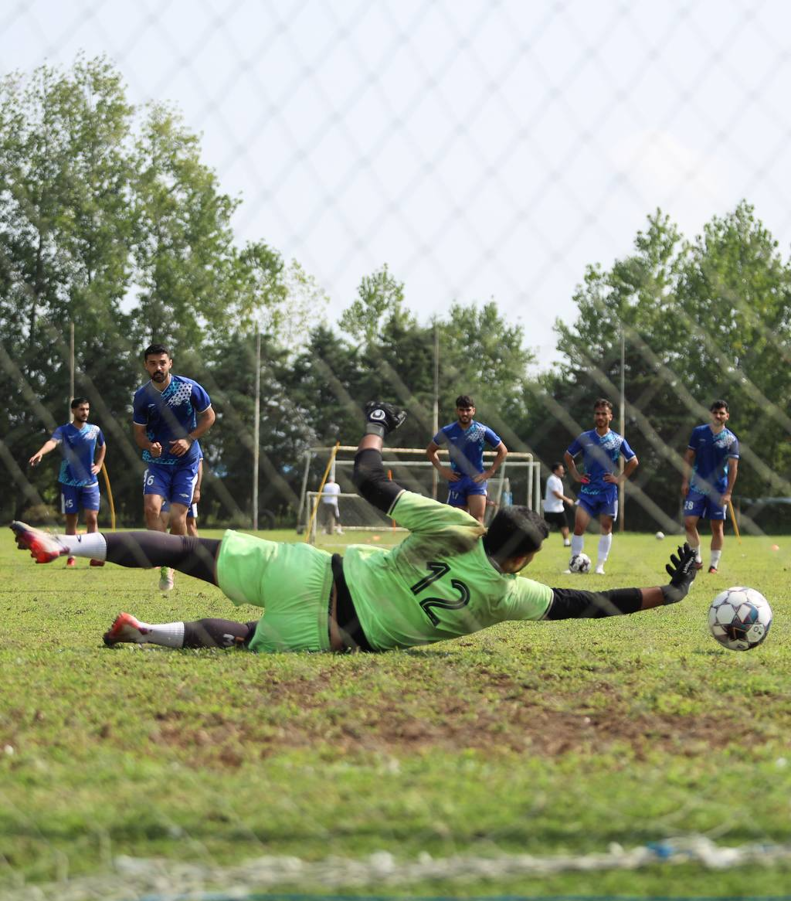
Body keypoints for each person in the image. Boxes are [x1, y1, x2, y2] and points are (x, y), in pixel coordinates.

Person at [12, 402, 697, 655]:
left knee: (191, 549)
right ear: (519, 563)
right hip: (337, 634)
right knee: (244, 638)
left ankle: (67, 543)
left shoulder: (456, 526)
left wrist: (374, 426)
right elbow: (582, 604)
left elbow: (370, 481)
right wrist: (664, 596)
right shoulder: (508, 597)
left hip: (319, 571)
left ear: (487, 531)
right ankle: (148, 636)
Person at [133, 344, 215, 590]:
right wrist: (149, 445)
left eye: (162, 362)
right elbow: (138, 434)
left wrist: (189, 439)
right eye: (152, 363)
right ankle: (164, 564)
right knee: (151, 509)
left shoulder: (189, 387)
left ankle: (175, 563)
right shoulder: (142, 396)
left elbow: (210, 416)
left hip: (185, 464)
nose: (158, 367)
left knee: (179, 518)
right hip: (157, 465)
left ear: (170, 363)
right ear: (146, 365)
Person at [27, 396, 106, 568]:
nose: (85, 412)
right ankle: (71, 555)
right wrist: (41, 452)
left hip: (90, 481)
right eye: (81, 409)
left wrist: (99, 465)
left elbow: (103, 446)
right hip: (69, 481)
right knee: (72, 519)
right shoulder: (64, 430)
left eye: (87, 409)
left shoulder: (95, 430)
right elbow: (52, 442)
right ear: (73, 411)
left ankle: (95, 555)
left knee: (92, 518)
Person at [564, 399, 638, 575]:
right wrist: (575, 475)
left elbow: (633, 461)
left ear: (610, 417)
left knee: (606, 527)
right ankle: (575, 562)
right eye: (597, 413)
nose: (600, 416)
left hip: (607, 492)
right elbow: (568, 456)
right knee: (579, 526)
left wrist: (619, 479)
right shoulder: (585, 437)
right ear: (594, 416)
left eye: (604, 413)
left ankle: (599, 566)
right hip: (587, 491)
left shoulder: (617, 440)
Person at [426, 395, 508, 524]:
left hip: (476, 480)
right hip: (457, 480)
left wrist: (489, 472)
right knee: (458, 521)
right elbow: (430, 451)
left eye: (468, 410)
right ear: (457, 411)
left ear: (473, 411)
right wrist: (442, 470)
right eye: (462, 410)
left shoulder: (482, 430)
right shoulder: (448, 431)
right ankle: (459, 544)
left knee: (477, 521)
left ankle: (477, 544)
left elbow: (503, 450)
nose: (465, 413)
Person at [681, 400, 740, 574]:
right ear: (710, 414)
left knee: (717, 526)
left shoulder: (731, 439)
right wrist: (685, 481)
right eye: (715, 412)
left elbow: (734, 467)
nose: (718, 415)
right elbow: (688, 457)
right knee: (689, 522)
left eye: (722, 413)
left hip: (719, 489)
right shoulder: (699, 433)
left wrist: (728, 492)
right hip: (696, 487)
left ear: (727, 416)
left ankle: (713, 565)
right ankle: (697, 559)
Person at [161, 459, 203, 538]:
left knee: (189, 523)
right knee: (162, 520)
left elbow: (199, 464)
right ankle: (164, 546)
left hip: (186, 486)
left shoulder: (193, 447)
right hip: (167, 485)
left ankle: (196, 549)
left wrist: (197, 489)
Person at [543, 462, 574, 547]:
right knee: (545, 527)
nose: (563, 471)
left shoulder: (558, 479)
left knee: (564, 525)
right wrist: (567, 500)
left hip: (559, 508)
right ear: (555, 471)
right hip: (551, 509)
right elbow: (556, 493)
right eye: (561, 470)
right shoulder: (552, 479)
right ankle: (538, 540)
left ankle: (566, 542)